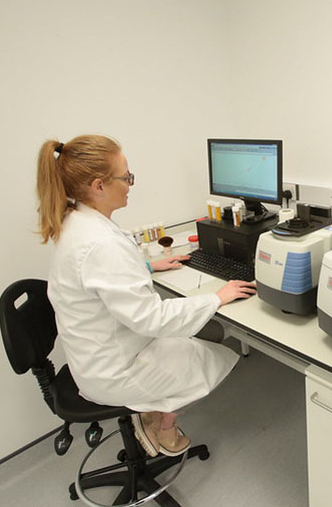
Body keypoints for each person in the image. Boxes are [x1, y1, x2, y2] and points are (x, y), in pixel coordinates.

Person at [36, 134, 256, 457]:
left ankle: (153, 410)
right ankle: (160, 425)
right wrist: (217, 297)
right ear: (98, 185)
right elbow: (152, 319)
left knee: (195, 343)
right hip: (116, 369)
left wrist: (147, 266)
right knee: (214, 358)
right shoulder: (100, 244)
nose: (130, 184)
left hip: (98, 354)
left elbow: (99, 280)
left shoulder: (77, 222)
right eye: (125, 177)